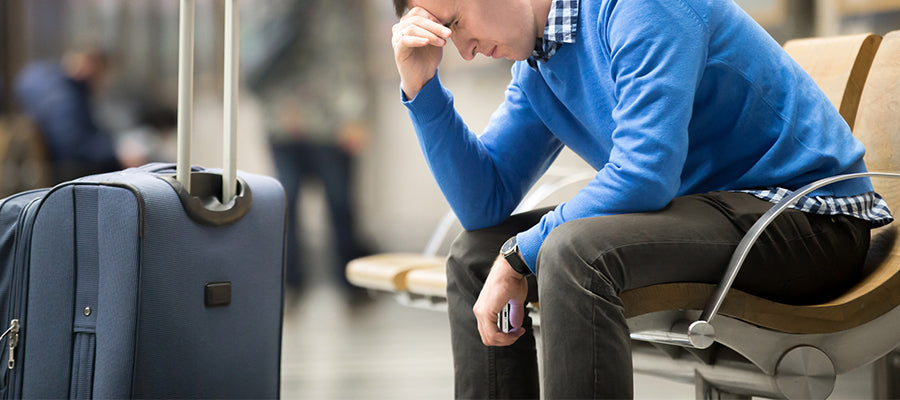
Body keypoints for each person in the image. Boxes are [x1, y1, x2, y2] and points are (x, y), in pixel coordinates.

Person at [388, 0, 893, 398]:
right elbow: (484, 205)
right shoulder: (539, 64)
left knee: (571, 250)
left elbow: (645, 173)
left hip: (803, 218)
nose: (466, 51)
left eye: (455, 23)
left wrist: (521, 252)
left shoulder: (640, 5)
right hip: (713, 213)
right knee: (476, 256)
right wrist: (421, 85)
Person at [243, 0, 371, 301]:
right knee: (288, 203)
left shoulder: (338, 9)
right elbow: (253, 59)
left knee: (340, 205)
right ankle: (292, 284)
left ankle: (350, 283)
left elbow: (350, 58)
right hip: (285, 122)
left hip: (330, 123)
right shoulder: (272, 9)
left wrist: (355, 116)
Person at [14, 49, 123, 183]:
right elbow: (73, 147)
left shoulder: (52, 85)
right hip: (67, 175)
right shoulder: (63, 98)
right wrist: (115, 153)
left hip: (62, 168)